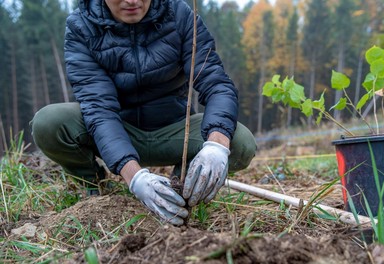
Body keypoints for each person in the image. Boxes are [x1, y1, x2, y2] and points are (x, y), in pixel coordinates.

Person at [30, 0, 256, 226]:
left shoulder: (178, 15)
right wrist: (134, 177)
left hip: (174, 130)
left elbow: (216, 83)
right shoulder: (82, 26)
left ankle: (184, 189)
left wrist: (216, 145)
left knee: (239, 142)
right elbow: (99, 110)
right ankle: (96, 186)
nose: (132, 0)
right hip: (119, 129)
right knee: (49, 122)